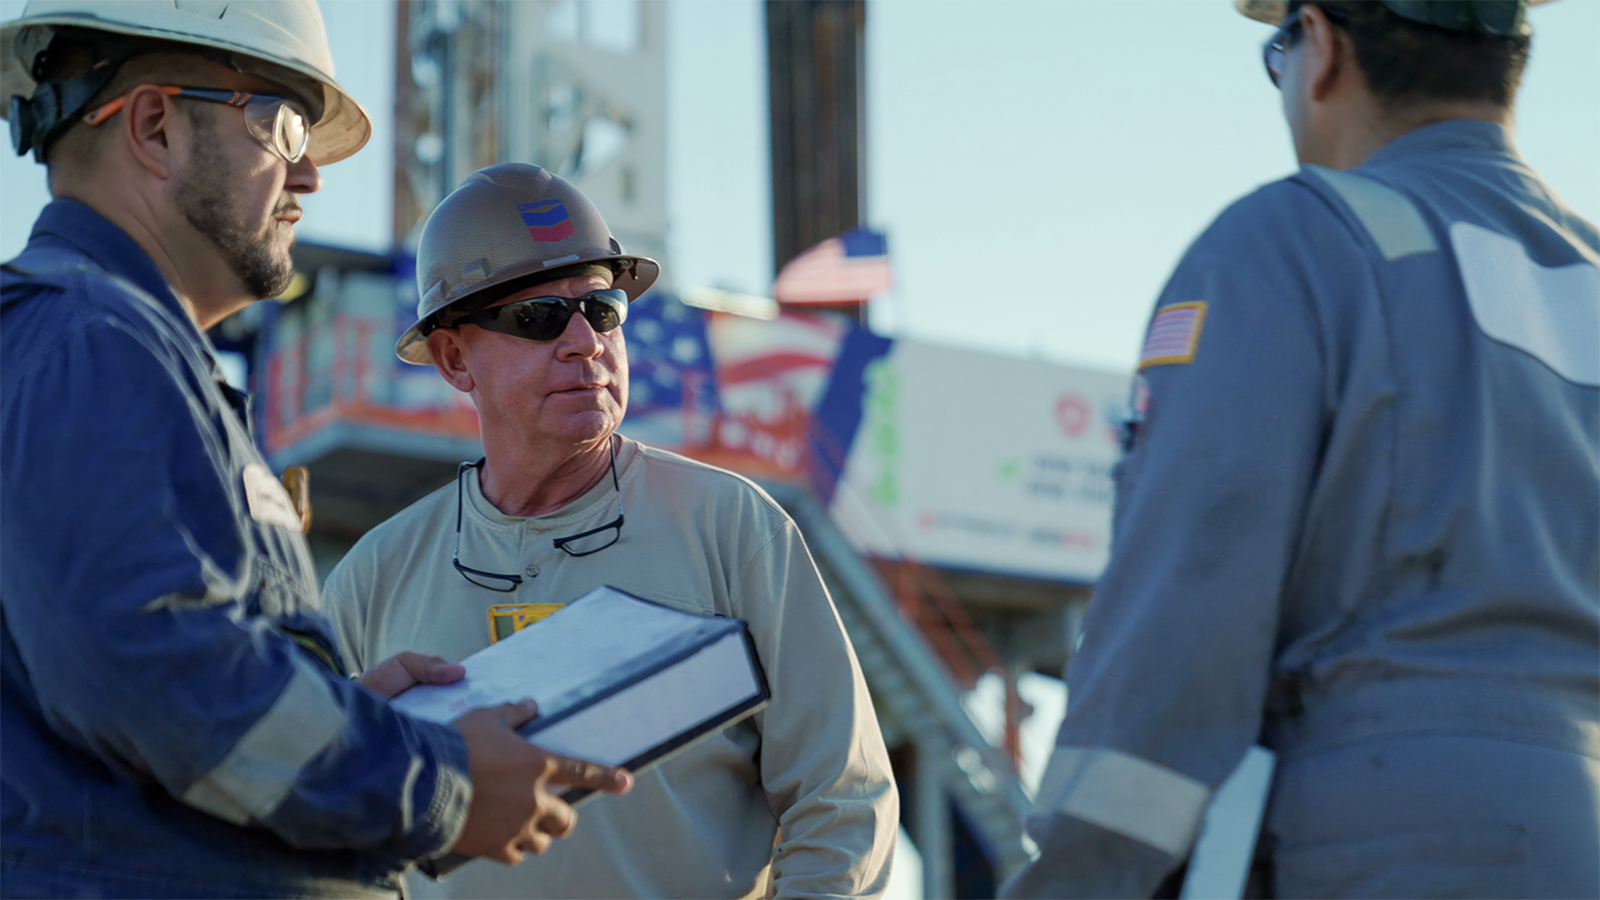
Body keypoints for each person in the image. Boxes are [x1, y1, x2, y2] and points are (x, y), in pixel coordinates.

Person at [0, 4, 628, 898]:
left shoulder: (108, 352)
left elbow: (142, 705)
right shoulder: (93, 345)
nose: (310, 177)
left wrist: (350, 718)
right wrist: (437, 780)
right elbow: (160, 677)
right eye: (282, 124)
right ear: (154, 126)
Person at [1002, 1, 1600, 898]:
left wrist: (1081, 874)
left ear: (1318, 47)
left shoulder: (1294, 243)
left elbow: (1186, 615)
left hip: (1373, 840)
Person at [320, 162, 899, 900]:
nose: (583, 342)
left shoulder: (731, 530)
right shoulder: (375, 578)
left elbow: (843, 801)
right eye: (537, 318)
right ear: (453, 357)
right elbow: (326, 835)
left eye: (601, 309)